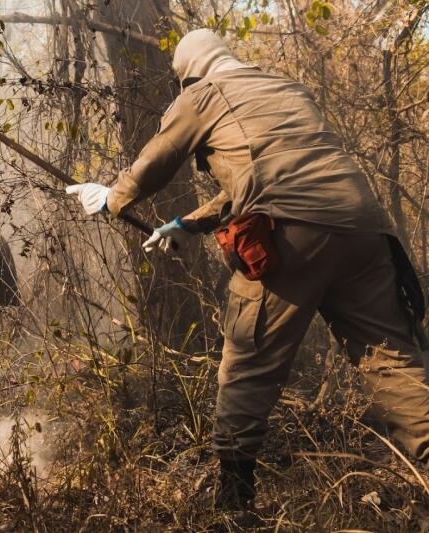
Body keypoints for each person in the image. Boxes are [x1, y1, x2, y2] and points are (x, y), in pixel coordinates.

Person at [67, 29, 429, 509]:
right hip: (365, 231)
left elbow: (157, 161)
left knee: (248, 360)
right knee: (392, 361)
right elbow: (265, 173)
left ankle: (234, 503)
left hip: (291, 233)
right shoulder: (284, 88)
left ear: (189, 75)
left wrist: (112, 198)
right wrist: (185, 224)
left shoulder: (203, 94)